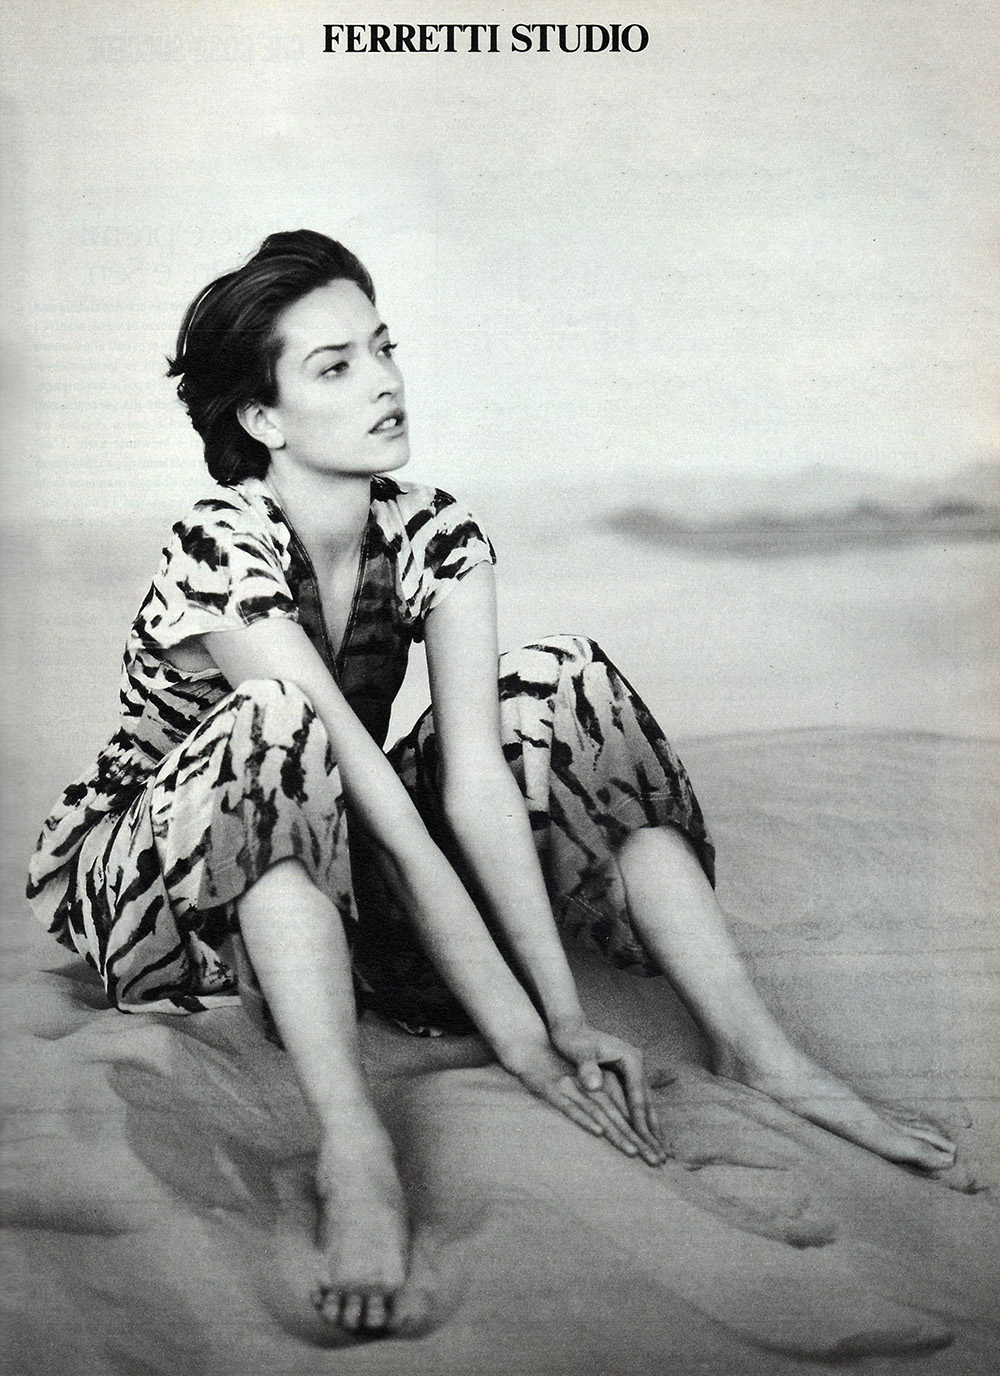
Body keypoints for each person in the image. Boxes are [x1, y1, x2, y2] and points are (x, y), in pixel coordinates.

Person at [26, 230, 956, 1337]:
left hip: (334, 863)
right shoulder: (220, 543)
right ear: (263, 420)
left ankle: (759, 1048)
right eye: (335, 367)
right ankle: (354, 1148)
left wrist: (564, 1016)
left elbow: (473, 782)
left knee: (559, 680)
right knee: (280, 726)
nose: (384, 381)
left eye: (383, 348)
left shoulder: (431, 527)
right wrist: (519, 1040)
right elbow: (370, 795)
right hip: (163, 891)